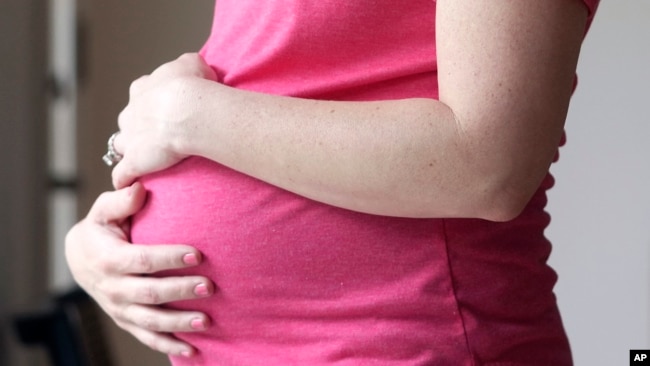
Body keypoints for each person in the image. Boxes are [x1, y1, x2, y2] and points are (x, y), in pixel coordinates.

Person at [65, 0, 600, 364]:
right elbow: (275, 79)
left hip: (406, 340)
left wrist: (187, 115)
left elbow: (488, 163)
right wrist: (112, 223)